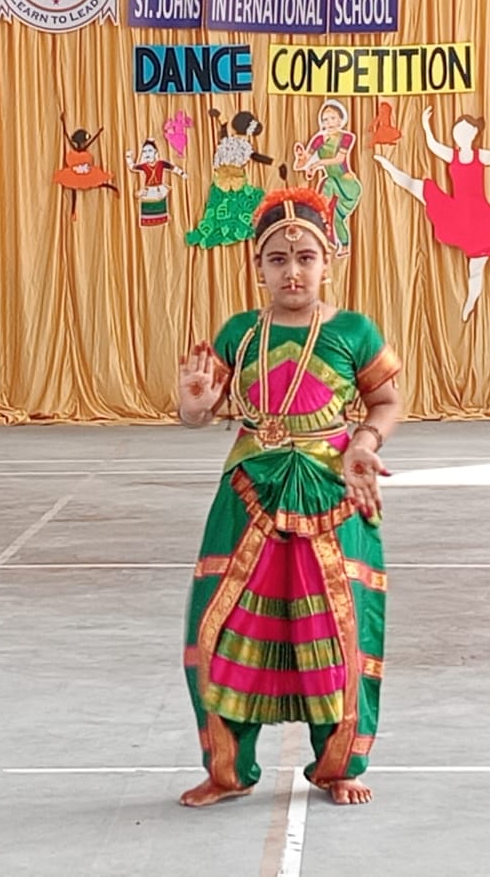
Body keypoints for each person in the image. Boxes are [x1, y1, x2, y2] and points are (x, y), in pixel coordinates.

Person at [175, 185, 402, 808]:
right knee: (223, 628)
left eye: (306, 258)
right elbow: (201, 410)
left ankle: (339, 766)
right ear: (259, 267)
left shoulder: (353, 331)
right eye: (278, 259)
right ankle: (228, 770)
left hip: (332, 491)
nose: (293, 271)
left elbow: (386, 400)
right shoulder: (240, 333)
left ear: (328, 262)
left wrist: (364, 443)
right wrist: (193, 408)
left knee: (338, 629)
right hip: (249, 491)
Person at [375, 108, 490, 321]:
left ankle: (471, 301)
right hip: (457, 210)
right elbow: (433, 146)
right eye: (457, 131)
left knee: (476, 267)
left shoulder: (480, 156)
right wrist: (426, 125)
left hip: (478, 215)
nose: (460, 135)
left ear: (474, 133)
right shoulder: (453, 155)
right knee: (418, 186)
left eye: (465, 131)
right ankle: (388, 167)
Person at [185, 109, 274, 249]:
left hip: (232, 179)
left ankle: (223, 231)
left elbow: (224, 130)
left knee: (228, 208)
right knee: (219, 208)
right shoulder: (236, 144)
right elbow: (257, 157)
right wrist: (273, 162)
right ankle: (209, 233)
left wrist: (221, 119)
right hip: (225, 179)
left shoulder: (238, 145)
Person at [293, 100, 362, 258]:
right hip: (334, 187)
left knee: (328, 182)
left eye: (333, 118)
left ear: (340, 120)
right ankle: (343, 245)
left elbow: (339, 159)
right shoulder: (318, 140)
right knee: (337, 219)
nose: (329, 122)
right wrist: (302, 158)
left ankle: (319, 213)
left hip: (348, 185)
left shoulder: (346, 137)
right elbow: (302, 164)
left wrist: (317, 164)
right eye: (325, 119)